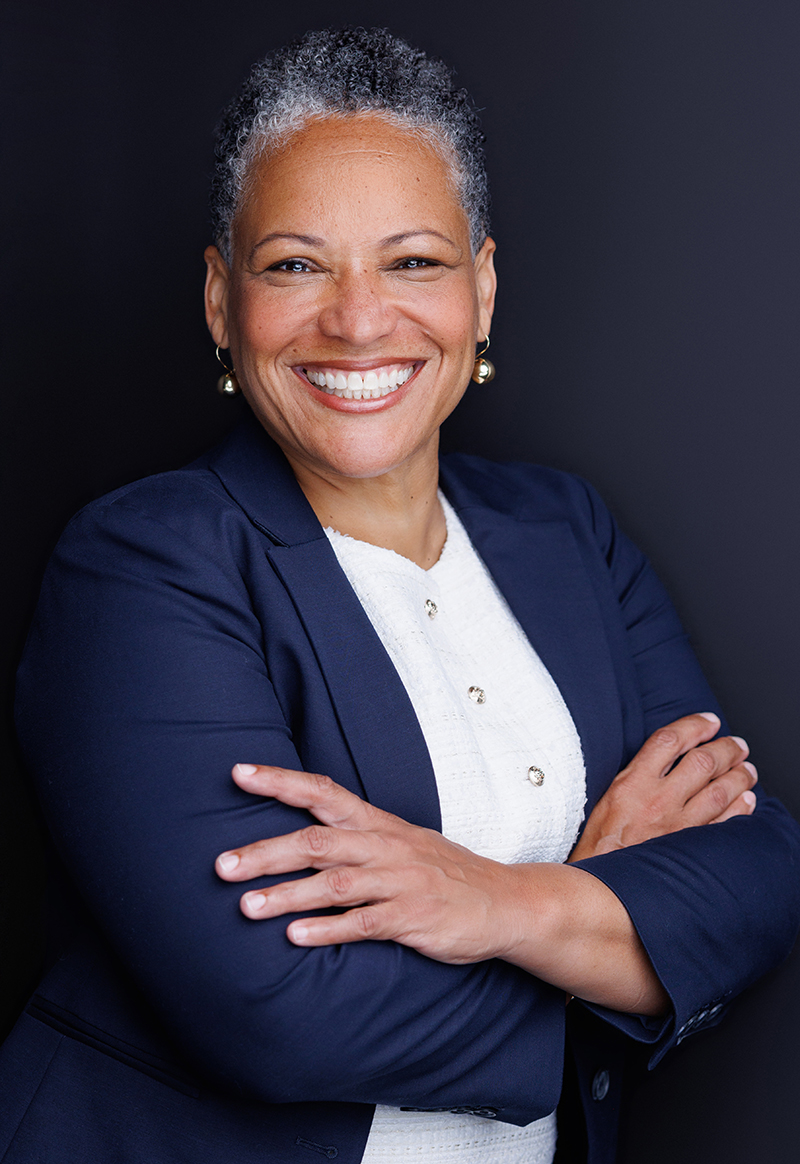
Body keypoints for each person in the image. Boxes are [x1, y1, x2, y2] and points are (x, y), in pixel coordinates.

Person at [2, 26, 799, 1164]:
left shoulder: (565, 532)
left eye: (413, 262)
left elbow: (757, 870)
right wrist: (604, 922)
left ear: (482, 287)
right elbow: (279, 1013)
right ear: (222, 302)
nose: (359, 319)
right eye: (295, 265)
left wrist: (499, 902)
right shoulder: (141, 566)